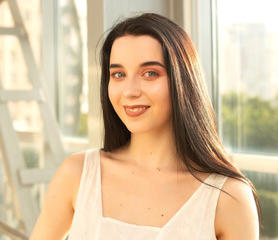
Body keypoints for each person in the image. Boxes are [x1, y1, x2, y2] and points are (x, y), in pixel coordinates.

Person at [30, 13, 260, 240]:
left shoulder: (228, 197)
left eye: (150, 73)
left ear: (183, 80)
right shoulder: (77, 174)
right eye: (118, 74)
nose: (129, 91)